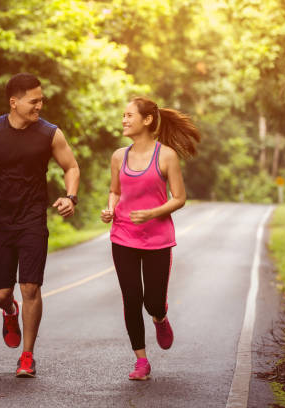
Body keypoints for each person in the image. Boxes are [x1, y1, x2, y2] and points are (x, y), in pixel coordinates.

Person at [0, 73, 80, 378]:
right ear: (14, 102)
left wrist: (71, 196)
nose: (40, 105)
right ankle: (9, 311)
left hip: (32, 217)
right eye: (34, 101)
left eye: (42, 100)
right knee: (1, 294)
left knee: (31, 286)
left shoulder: (49, 134)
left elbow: (71, 166)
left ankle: (27, 355)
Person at [100, 97, 200, 380]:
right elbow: (116, 191)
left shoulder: (166, 156)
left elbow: (179, 198)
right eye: (123, 115)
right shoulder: (119, 156)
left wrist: (152, 213)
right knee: (131, 298)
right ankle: (141, 361)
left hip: (157, 239)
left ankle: (160, 317)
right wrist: (110, 207)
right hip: (123, 235)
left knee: (152, 301)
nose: (124, 120)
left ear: (147, 120)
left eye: (129, 115)